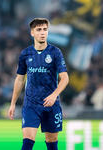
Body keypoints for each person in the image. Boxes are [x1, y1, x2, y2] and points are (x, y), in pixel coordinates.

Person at [8, 18, 69, 150]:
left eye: (45, 30)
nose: (42, 33)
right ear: (32, 33)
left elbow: (65, 78)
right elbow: (19, 79)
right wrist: (13, 103)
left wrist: (54, 95)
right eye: (39, 30)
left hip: (51, 105)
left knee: (52, 143)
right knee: (28, 142)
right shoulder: (25, 54)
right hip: (31, 105)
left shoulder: (55, 52)